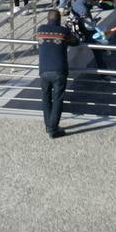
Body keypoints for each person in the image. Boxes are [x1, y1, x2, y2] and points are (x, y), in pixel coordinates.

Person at [36, 8, 78, 138]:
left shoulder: (40, 29)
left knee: (46, 97)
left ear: (48, 19)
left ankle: (49, 125)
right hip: (59, 70)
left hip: (43, 70)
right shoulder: (63, 31)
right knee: (58, 99)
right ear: (59, 20)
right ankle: (53, 129)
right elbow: (75, 42)